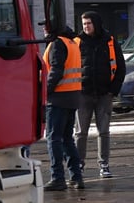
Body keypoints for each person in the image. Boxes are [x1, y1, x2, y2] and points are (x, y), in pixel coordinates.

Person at [74, 11, 126, 178]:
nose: (86, 27)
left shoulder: (109, 41)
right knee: (81, 132)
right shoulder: (78, 42)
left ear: (96, 23)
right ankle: (79, 165)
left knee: (103, 131)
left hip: (104, 94)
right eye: (83, 24)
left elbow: (120, 67)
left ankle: (104, 165)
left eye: (88, 23)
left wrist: (113, 90)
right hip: (83, 94)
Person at [43, 23, 84, 191]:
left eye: (45, 28)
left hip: (58, 98)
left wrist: (45, 91)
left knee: (54, 139)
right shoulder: (72, 43)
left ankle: (57, 178)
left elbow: (56, 71)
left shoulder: (57, 44)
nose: (43, 31)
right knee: (67, 139)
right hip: (73, 96)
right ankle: (76, 177)